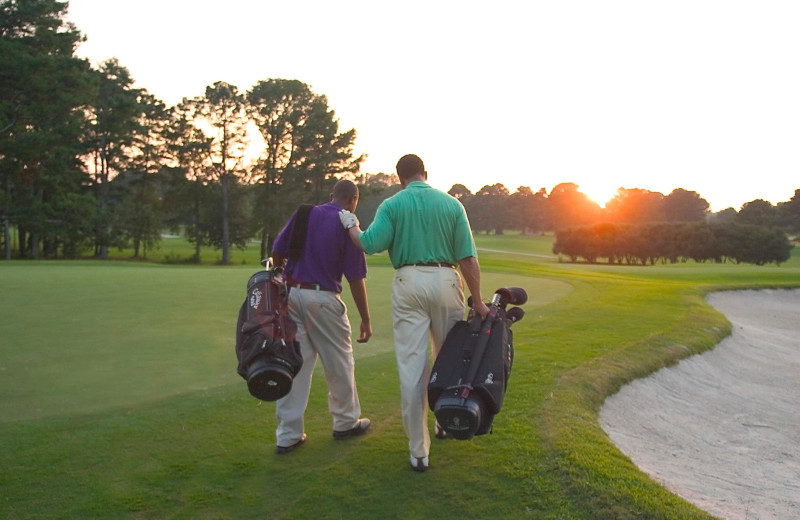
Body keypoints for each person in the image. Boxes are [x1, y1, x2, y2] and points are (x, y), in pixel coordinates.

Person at [339, 154, 489, 472]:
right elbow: (468, 258)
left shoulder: (392, 205)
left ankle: (419, 451)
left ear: (399, 178)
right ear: (425, 173)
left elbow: (368, 243)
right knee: (448, 362)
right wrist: (477, 299)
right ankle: (446, 423)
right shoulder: (452, 205)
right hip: (448, 281)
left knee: (413, 370)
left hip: (408, 282)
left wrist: (351, 224)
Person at [270, 179, 372, 455]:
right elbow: (355, 277)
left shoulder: (305, 212)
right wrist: (365, 318)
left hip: (292, 295)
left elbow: (277, 251)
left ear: (331, 196)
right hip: (323, 298)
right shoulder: (347, 222)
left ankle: (288, 436)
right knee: (339, 363)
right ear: (353, 199)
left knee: (296, 367)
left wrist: (280, 275)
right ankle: (345, 423)